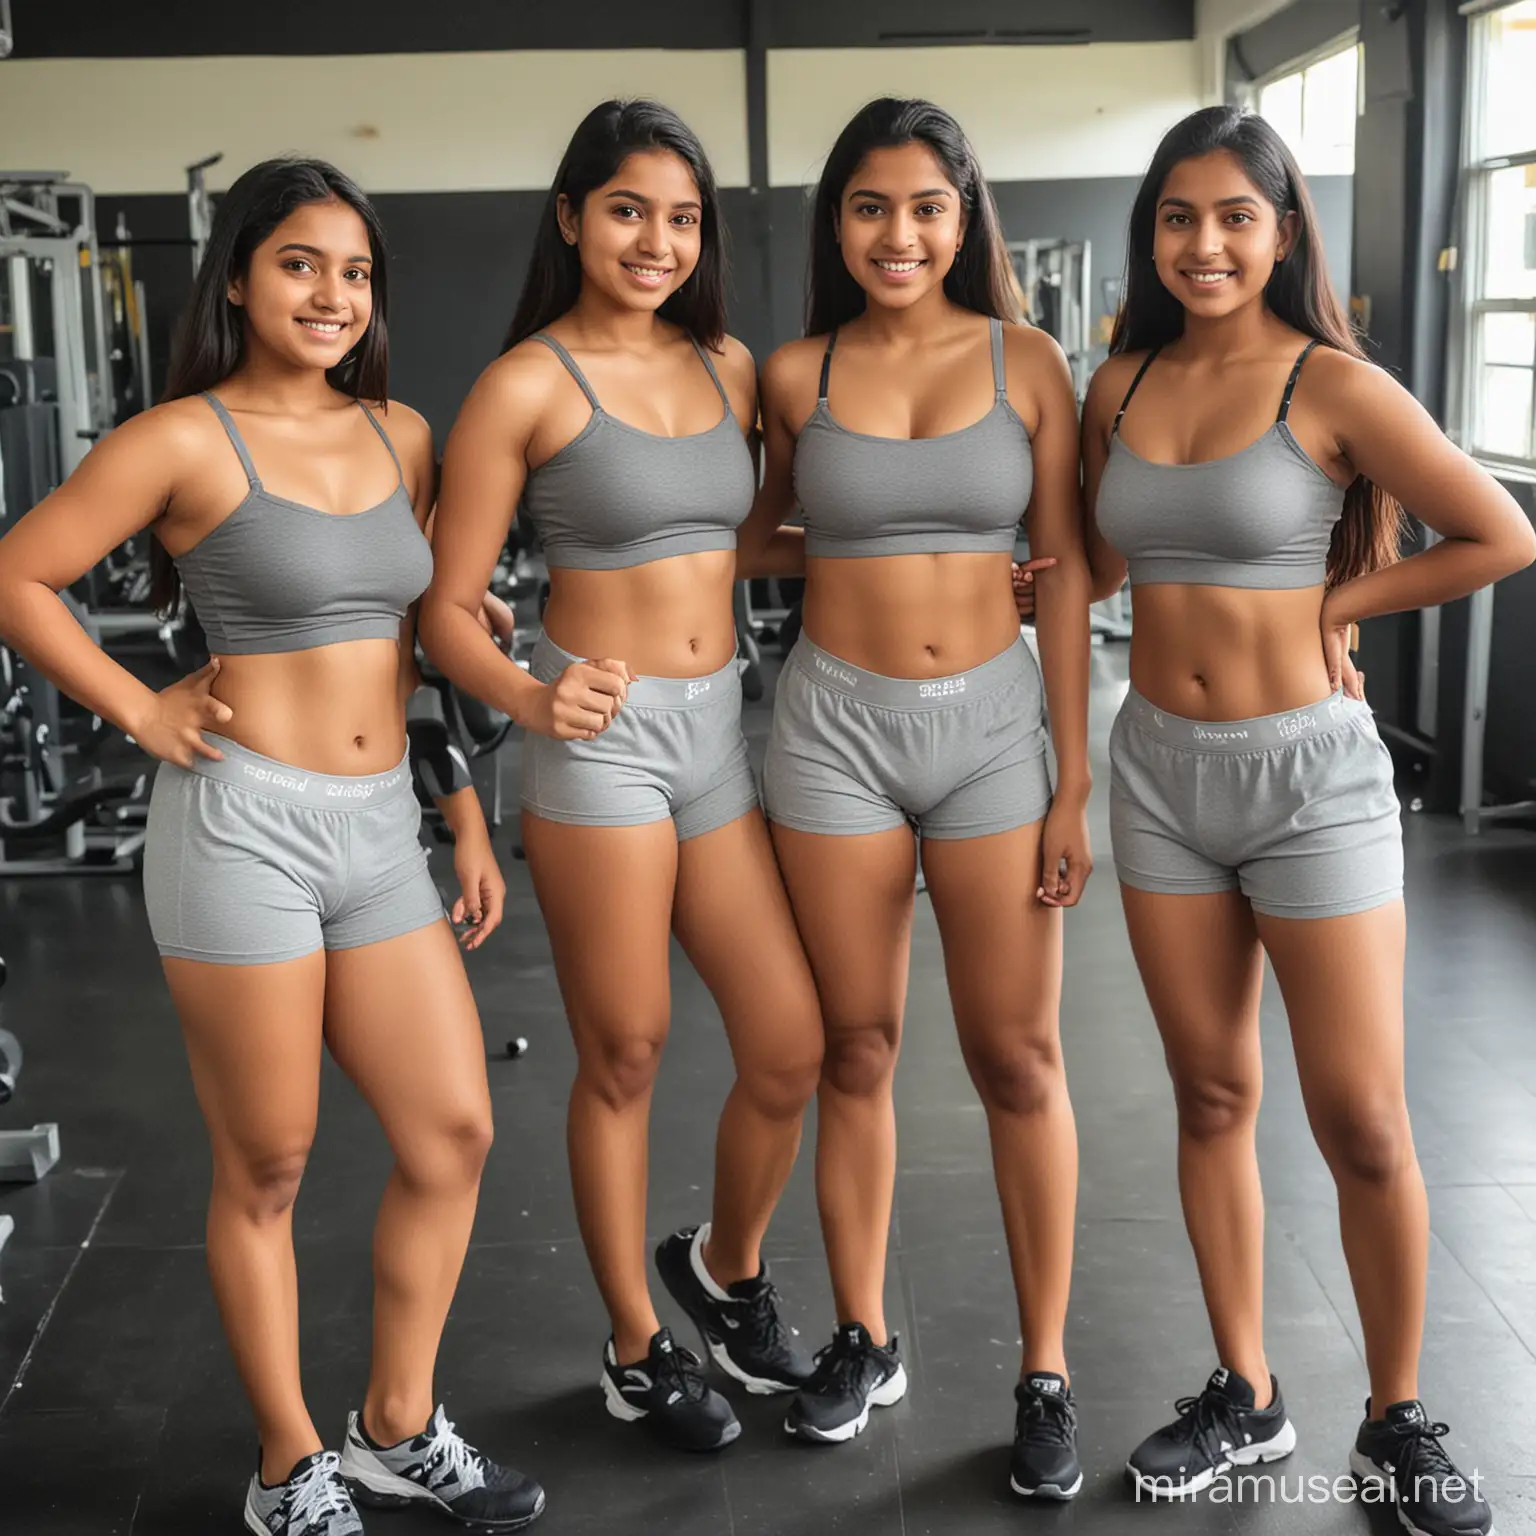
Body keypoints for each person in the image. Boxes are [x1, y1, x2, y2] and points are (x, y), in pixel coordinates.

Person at [0, 158, 544, 1536]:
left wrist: (463, 807)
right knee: (271, 1164)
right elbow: (19, 572)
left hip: (377, 833)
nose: (332, 294)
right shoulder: (182, 438)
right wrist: (137, 704)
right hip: (239, 829)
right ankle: (287, 1465)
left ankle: (395, 1426)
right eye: (301, 263)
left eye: (356, 272)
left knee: (452, 1131)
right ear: (239, 275)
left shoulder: (404, 436)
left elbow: (420, 645)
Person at [1083, 107, 1534, 1534]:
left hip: (1308, 780)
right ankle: (1246, 1389)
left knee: (1365, 1121)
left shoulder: (1333, 383)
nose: (1204, 244)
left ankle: (1397, 1417)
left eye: (1233, 216)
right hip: (1157, 767)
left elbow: (1501, 534)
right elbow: (1093, 551)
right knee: (1213, 1096)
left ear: (1282, 231)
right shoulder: (1120, 382)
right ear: (1150, 232)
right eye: (1177, 217)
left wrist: (1334, 603)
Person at [418, 100, 824, 1454]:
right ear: (573, 216)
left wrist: (945, 574)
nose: (658, 240)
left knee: (788, 1043)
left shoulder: (726, 363)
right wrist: (533, 692)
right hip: (597, 742)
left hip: (719, 729)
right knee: (628, 1050)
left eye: (683, 216)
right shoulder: (524, 384)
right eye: (630, 210)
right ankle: (637, 1350)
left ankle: (720, 1266)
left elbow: (748, 545)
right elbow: (443, 607)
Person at [738, 98, 1094, 1499]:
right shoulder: (792, 372)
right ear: (838, 222)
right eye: (871, 207)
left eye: (927, 207)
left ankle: (1046, 1368)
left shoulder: (1031, 362)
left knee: (1017, 1057)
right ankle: (864, 1333)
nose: (900, 233)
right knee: (858, 1048)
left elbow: (1060, 573)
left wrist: (1072, 779)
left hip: (996, 734)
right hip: (832, 731)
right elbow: (757, 535)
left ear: (965, 217)